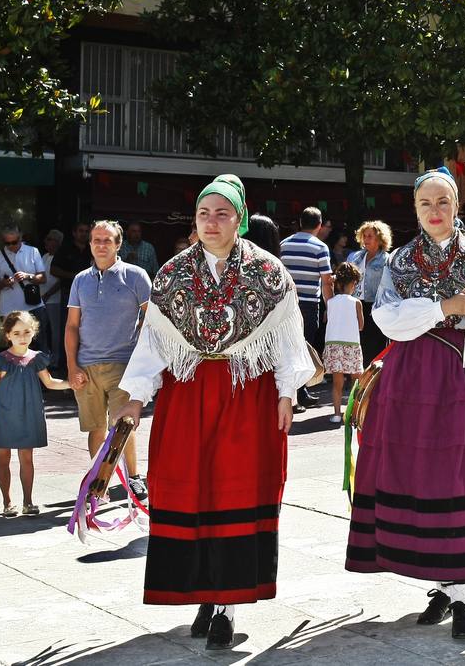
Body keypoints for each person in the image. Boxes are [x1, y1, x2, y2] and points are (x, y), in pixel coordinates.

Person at [115, 174, 312, 650]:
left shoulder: (268, 272)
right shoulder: (174, 273)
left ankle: (226, 605)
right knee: (190, 491)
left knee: (235, 492)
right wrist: (135, 396)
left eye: (222, 213)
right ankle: (204, 594)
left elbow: (288, 338)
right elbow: (153, 342)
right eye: (204, 213)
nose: (211, 221)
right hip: (188, 393)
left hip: (248, 393)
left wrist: (287, 392)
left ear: (240, 219)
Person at [345, 167, 465, 639]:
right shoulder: (400, 260)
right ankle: (444, 584)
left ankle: (460, 592)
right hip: (413, 380)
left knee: (460, 476)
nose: (435, 212)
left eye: (444, 202)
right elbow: (387, 320)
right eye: (426, 204)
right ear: (415, 209)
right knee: (424, 477)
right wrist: (444, 308)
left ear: (457, 206)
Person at [66, 220, 152, 498]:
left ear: (118, 245)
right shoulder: (80, 280)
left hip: (123, 363)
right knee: (95, 427)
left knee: (123, 424)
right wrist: (71, 365)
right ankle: (98, 480)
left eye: (107, 240)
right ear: (90, 244)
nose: (101, 245)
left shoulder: (136, 276)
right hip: (87, 365)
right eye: (96, 240)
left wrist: (140, 357)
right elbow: (71, 326)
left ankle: (135, 477)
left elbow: (151, 318)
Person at [0, 310, 69, 517]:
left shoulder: (37, 359)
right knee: (3, 457)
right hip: (3, 416)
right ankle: (7, 502)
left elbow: (49, 382)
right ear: (8, 335)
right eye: (16, 333)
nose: (22, 337)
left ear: (33, 333)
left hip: (29, 415)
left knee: (27, 458)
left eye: (27, 332)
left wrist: (72, 384)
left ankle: (28, 501)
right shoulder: (0, 361)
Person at [282, 208, 333, 407]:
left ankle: (296, 392)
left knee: (289, 348)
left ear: (300, 222)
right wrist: (330, 306)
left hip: (287, 304)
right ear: (319, 225)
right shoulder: (320, 247)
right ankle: (300, 393)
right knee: (304, 347)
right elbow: (327, 281)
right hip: (309, 304)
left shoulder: (284, 244)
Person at [0, 224, 47, 357]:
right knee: (15, 349)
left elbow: (43, 278)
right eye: (7, 243)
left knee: (39, 346)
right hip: (9, 310)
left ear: (20, 238)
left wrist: (28, 276)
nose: (11, 246)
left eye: (14, 242)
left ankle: (41, 375)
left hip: (33, 306)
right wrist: (3, 283)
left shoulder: (32, 251)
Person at [323, 262, 365, 423]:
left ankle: (336, 414)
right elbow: (361, 326)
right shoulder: (356, 303)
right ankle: (355, 413)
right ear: (354, 283)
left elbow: (327, 319)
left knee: (336, 384)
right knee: (357, 382)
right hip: (352, 345)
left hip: (334, 345)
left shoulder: (331, 302)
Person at [348, 220, 393, 367]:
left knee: (374, 345)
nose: (365, 239)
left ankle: (374, 380)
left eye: (370, 236)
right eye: (364, 236)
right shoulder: (355, 257)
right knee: (356, 343)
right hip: (355, 303)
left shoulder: (387, 259)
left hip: (375, 306)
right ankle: (357, 380)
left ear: (380, 239)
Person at [39, 229, 65, 360]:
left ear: (57, 242)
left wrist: (49, 293)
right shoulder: (44, 256)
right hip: (41, 300)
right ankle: (44, 356)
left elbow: (62, 280)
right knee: (40, 330)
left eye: (49, 239)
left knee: (56, 331)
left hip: (55, 299)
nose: (46, 241)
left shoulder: (61, 257)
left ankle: (56, 358)